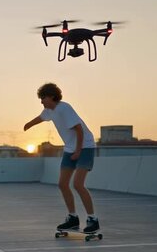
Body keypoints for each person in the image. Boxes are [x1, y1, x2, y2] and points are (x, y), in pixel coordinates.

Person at [23, 83, 100, 233]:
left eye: (43, 98)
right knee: (62, 184)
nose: (41, 101)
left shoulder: (64, 108)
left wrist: (78, 151)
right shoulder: (49, 110)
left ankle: (93, 219)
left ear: (51, 96)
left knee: (78, 184)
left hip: (85, 147)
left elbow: (79, 129)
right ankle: (72, 218)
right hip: (70, 148)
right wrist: (28, 124)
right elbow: (41, 117)